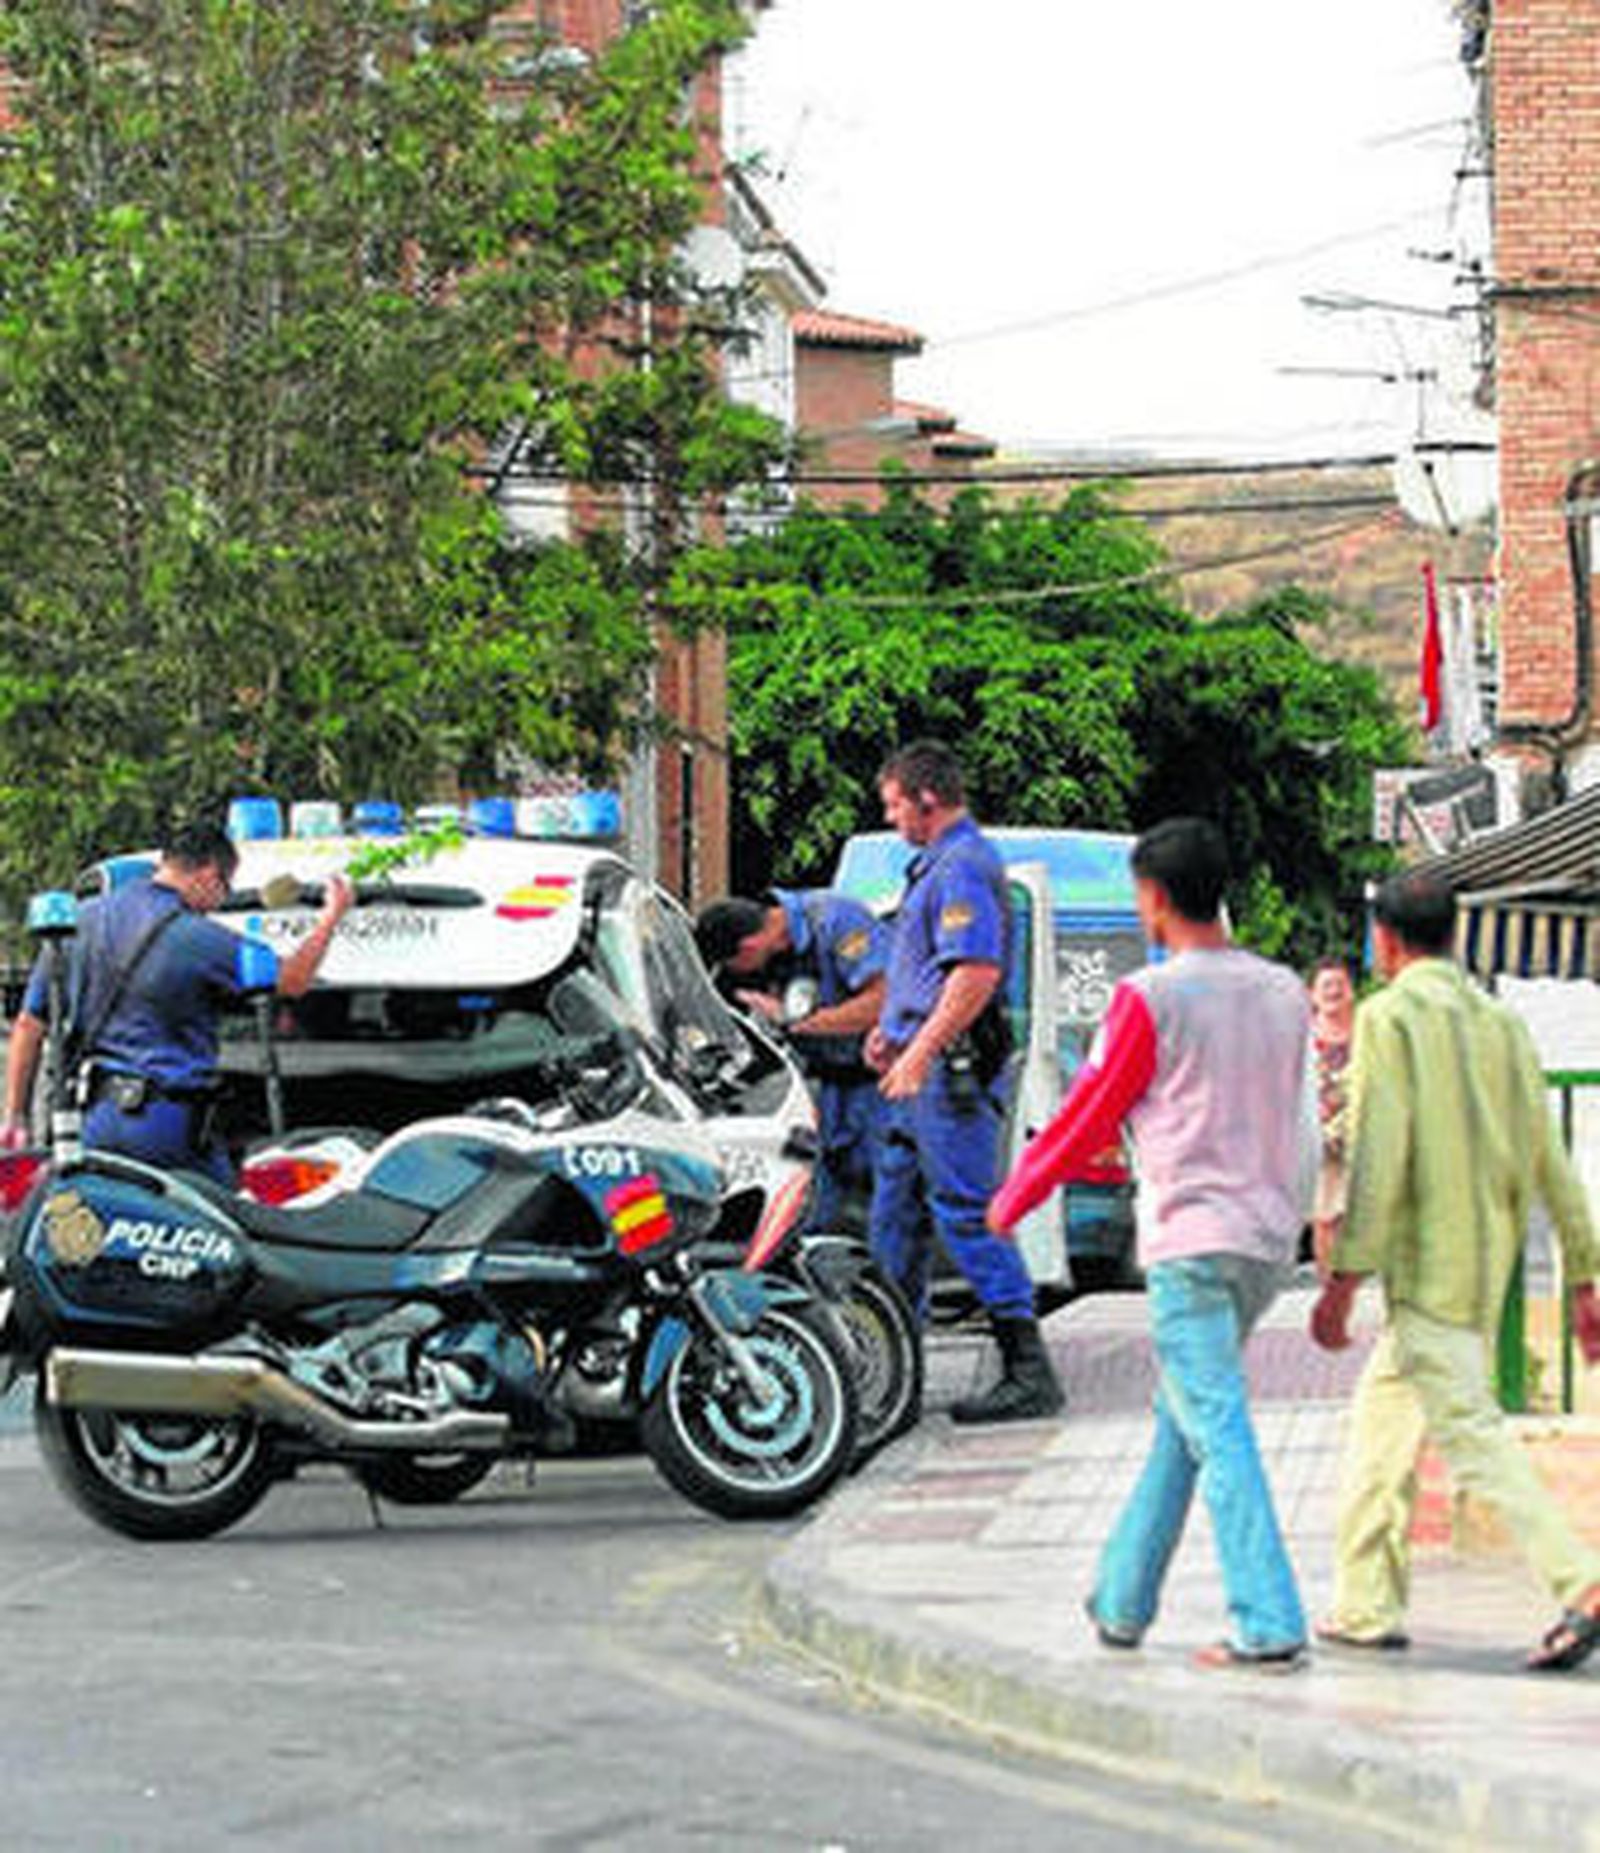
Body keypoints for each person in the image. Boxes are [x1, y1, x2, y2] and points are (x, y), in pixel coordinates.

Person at [990, 817, 1316, 1670]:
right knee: (1186, 1415)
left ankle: (1268, 1617)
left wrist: (1017, 1192)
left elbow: (1091, 1110)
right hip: (1267, 1239)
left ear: (1155, 898)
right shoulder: (1284, 991)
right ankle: (1122, 1597)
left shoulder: (1152, 997)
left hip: (1191, 1240)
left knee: (1216, 1421)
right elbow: (1297, 1112)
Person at [1310, 871, 1600, 1673]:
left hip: (1425, 1272)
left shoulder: (1388, 1017)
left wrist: (1342, 1279)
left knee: (1471, 1432)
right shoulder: (1499, 1022)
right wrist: (1583, 1275)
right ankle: (1365, 1603)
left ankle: (1580, 1580)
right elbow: (1549, 1155)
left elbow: (1380, 1150)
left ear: (1386, 940)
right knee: (1382, 1424)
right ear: (1453, 936)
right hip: (1483, 1269)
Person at [868, 739, 1063, 1424]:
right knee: (894, 1223)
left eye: (895, 804)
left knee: (968, 1214)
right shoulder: (934, 866)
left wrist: (920, 1050)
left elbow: (975, 973)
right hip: (915, 1075)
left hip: (947, 1076)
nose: (891, 818)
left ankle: (1029, 1371)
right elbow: (927, 972)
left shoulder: (965, 865)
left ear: (927, 798)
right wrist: (891, 1032)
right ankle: (894, 1377)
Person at [2, 818, 353, 1181]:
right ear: (208, 875)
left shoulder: (79, 921)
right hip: (167, 1128)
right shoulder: (200, 938)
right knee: (222, 1211)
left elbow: (28, 1025)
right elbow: (293, 980)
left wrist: (16, 1117)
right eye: (225, 888)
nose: (219, 902)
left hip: (94, 1122)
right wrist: (331, 917)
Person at [695, 888, 889, 1232]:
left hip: (878, 1085)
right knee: (806, 1196)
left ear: (748, 948)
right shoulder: (774, 950)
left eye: (730, 965)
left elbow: (884, 1001)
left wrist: (797, 1021)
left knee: (888, 1194)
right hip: (820, 1084)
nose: (734, 973)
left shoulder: (837, 921)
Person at [1308, 957, 1357, 1277]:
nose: (1334, 991)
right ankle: (1329, 1284)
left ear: (1351, 990)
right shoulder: (1302, 1037)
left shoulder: (1368, 1033)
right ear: (1312, 994)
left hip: (1364, 1139)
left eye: (1340, 984)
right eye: (1326, 985)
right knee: (1325, 1217)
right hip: (1319, 1140)